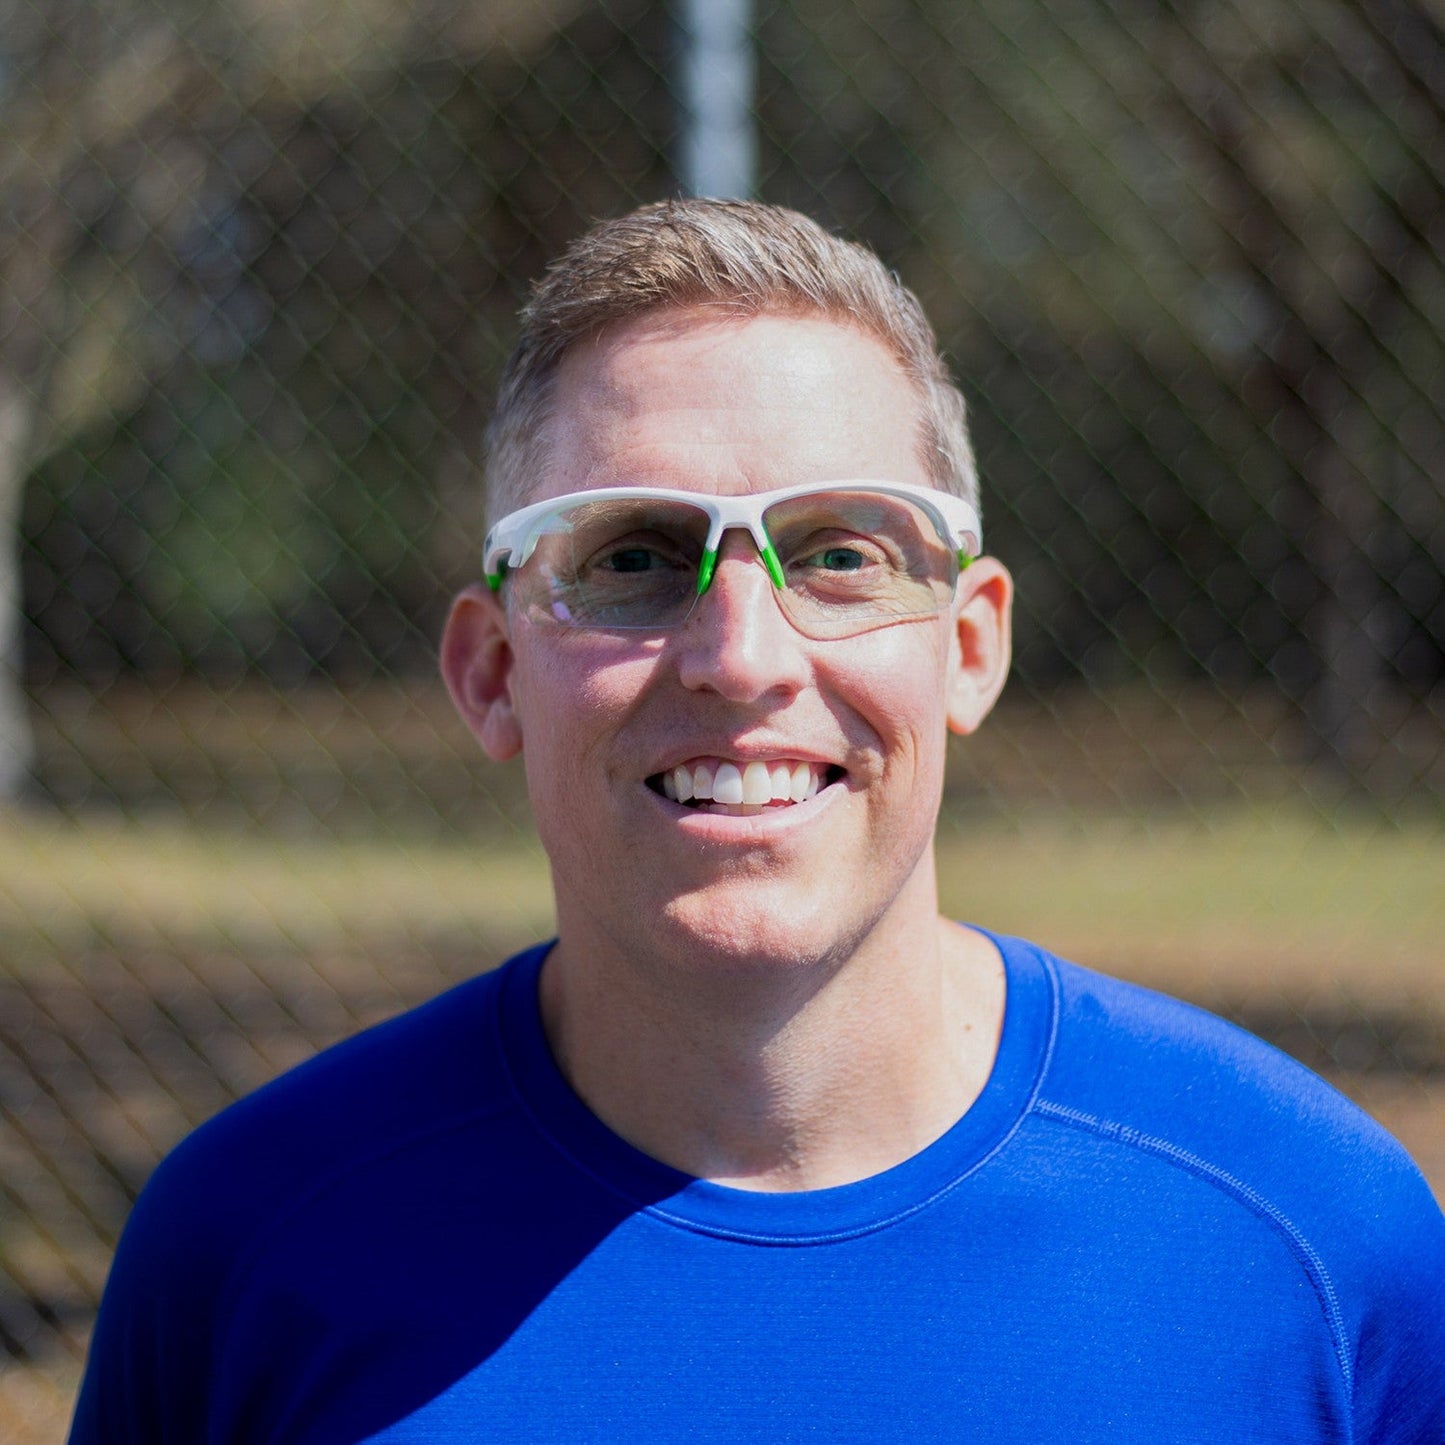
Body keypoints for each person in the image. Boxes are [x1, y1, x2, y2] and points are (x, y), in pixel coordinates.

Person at [70, 199, 1444, 1443]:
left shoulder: (1311, 1243)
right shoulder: (248, 1247)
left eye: (842, 552)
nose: (741, 656)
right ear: (491, 673)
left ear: (968, 648)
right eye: (630, 557)